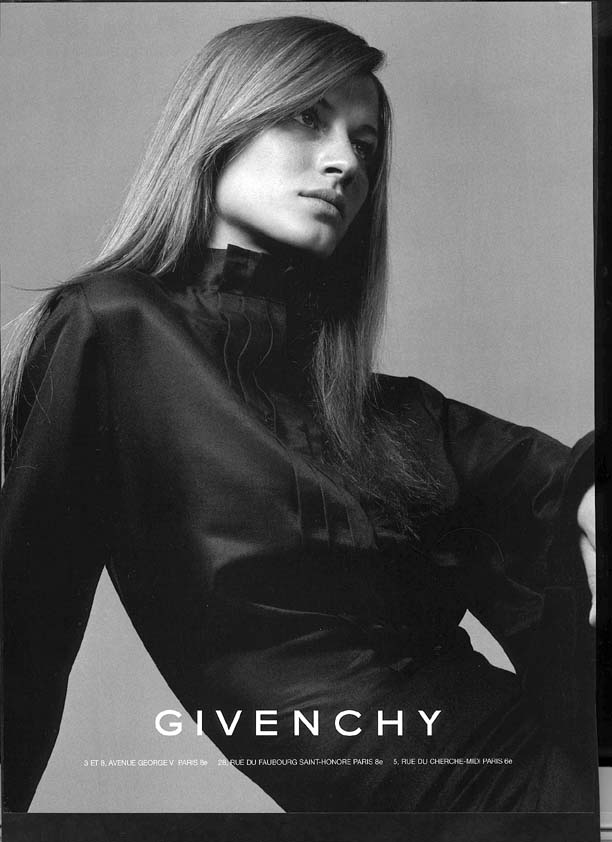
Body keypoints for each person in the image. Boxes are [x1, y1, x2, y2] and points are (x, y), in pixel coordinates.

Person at [1, 14, 598, 829]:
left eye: (366, 144)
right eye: (306, 119)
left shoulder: (390, 412)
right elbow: (24, 615)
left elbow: (548, 485)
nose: (346, 162)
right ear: (220, 129)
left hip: (532, 780)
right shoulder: (111, 328)